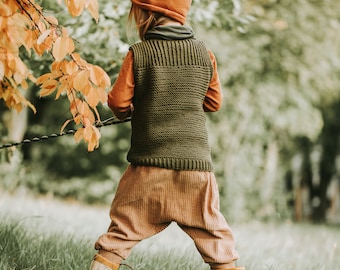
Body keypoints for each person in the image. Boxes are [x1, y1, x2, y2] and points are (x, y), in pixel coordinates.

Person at [90, 0, 245, 269]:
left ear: (147, 14)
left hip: (148, 168)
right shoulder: (204, 53)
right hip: (195, 170)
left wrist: (132, 109)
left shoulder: (139, 53)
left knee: (119, 235)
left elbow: (117, 102)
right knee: (216, 240)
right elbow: (214, 102)